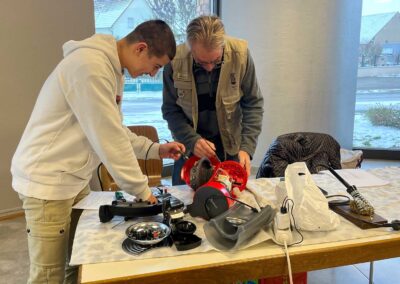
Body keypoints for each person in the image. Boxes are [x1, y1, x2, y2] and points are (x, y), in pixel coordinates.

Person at [10, 20, 185, 284]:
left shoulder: (111, 70)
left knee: (76, 260)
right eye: (156, 66)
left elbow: (115, 129)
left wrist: (155, 149)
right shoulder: (90, 67)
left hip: (72, 179)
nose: (152, 74)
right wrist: (143, 192)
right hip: (47, 182)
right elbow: (110, 141)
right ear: (141, 48)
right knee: (48, 276)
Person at [162, 15, 264, 185]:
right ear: (190, 48)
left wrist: (246, 148)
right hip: (188, 149)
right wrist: (192, 141)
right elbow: (170, 110)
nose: (209, 68)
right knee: (184, 206)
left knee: (231, 203)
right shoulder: (174, 62)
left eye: (215, 61)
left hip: (230, 149)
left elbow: (253, 104)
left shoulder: (241, 56)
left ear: (222, 46)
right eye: (201, 62)